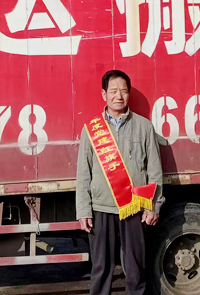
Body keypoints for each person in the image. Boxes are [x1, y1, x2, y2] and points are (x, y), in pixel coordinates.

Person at [76, 69, 164, 295]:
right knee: (101, 269)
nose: (119, 96)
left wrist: (153, 206)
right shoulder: (91, 130)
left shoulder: (144, 126)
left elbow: (154, 170)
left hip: (133, 207)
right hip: (101, 208)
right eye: (113, 91)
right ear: (104, 94)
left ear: (129, 94)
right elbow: (83, 174)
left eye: (124, 91)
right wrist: (83, 210)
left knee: (135, 269)